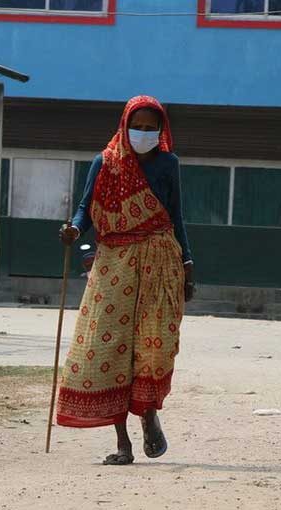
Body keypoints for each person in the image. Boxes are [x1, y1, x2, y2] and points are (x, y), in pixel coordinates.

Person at [56, 95, 194, 465]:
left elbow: (177, 216)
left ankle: (148, 414)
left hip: (160, 261)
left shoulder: (168, 164)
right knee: (109, 348)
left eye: (152, 128)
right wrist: (73, 228)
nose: (144, 133)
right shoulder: (104, 162)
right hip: (114, 262)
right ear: (125, 125)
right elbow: (86, 207)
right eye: (139, 127)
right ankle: (123, 444)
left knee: (154, 346)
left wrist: (188, 262)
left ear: (161, 131)